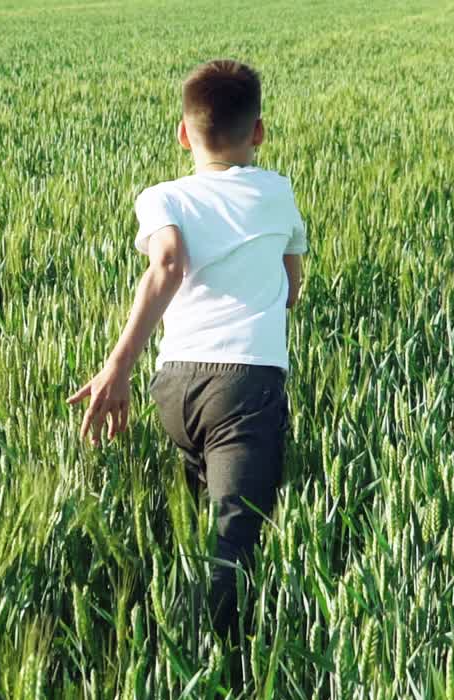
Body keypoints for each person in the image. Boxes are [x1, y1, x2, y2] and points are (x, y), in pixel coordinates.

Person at [66, 58, 308, 637]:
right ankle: (213, 656)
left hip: (174, 387)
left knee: (197, 518)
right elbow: (293, 287)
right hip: (246, 387)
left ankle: (160, 626)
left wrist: (117, 367)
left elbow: (167, 261)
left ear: (182, 134)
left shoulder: (161, 197)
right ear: (259, 132)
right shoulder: (277, 191)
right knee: (235, 536)